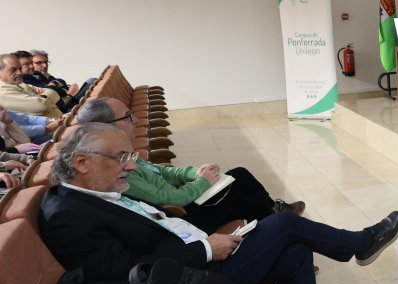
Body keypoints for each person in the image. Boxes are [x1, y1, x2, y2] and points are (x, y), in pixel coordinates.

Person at [39, 123, 398, 284]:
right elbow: (124, 273)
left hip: (190, 262)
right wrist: (204, 250)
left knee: (294, 253)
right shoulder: (68, 215)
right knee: (284, 224)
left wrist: (202, 242)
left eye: (128, 156)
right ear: (82, 162)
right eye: (119, 159)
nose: (129, 167)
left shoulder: (94, 193)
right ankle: (360, 244)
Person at [76, 97, 304, 234]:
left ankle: (280, 227)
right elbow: (171, 201)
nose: (135, 120)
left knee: (249, 200)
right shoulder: (117, 169)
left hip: (185, 202)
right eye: (127, 116)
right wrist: (203, 182)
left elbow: (162, 170)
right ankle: (280, 222)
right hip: (184, 216)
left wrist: (194, 172)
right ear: (104, 126)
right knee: (240, 178)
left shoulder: (123, 153)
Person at [0, 53, 64, 118]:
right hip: (53, 126)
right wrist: (45, 100)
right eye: (13, 70)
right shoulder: (3, 93)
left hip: (62, 120)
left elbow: (53, 92)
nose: (19, 73)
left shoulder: (21, 84)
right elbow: (41, 106)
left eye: (20, 69)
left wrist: (40, 98)